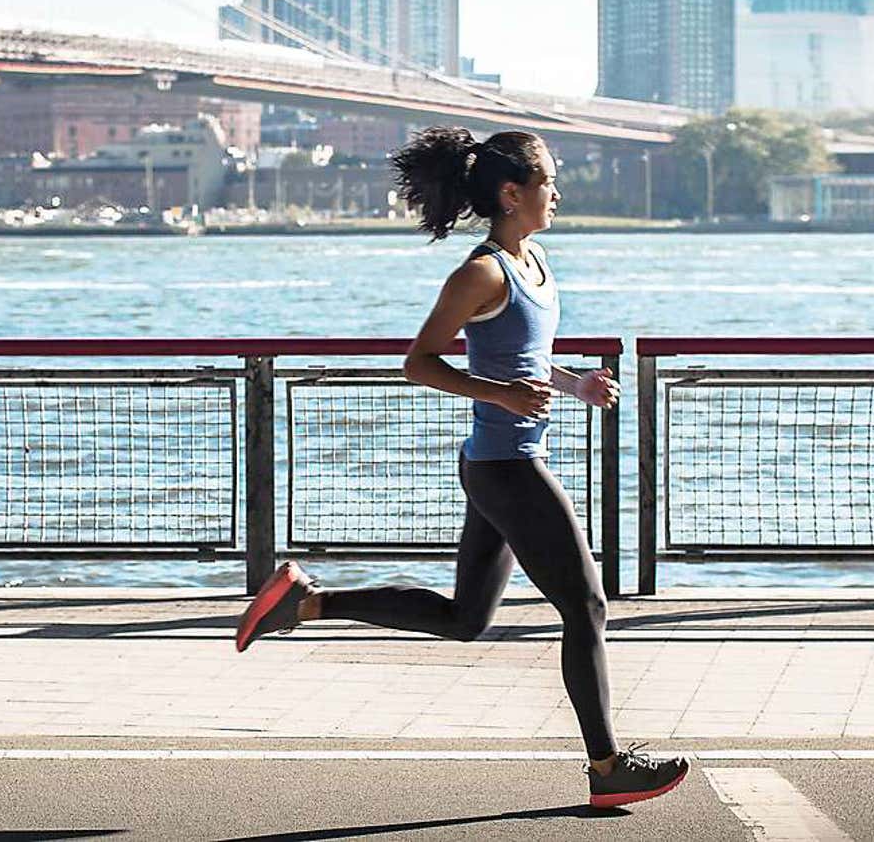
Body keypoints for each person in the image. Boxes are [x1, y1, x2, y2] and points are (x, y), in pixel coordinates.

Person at [234, 127, 688, 809]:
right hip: (507, 465)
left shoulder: (532, 259)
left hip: (497, 460)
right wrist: (499, 395)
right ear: (512, 193)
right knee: (587, 605)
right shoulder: (480, 272)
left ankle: (305, 601)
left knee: (466, 619)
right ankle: (606, 766)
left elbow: (524, 360)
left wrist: (575, 386)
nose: (556, 193)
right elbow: (419, 362)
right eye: (547, 183)